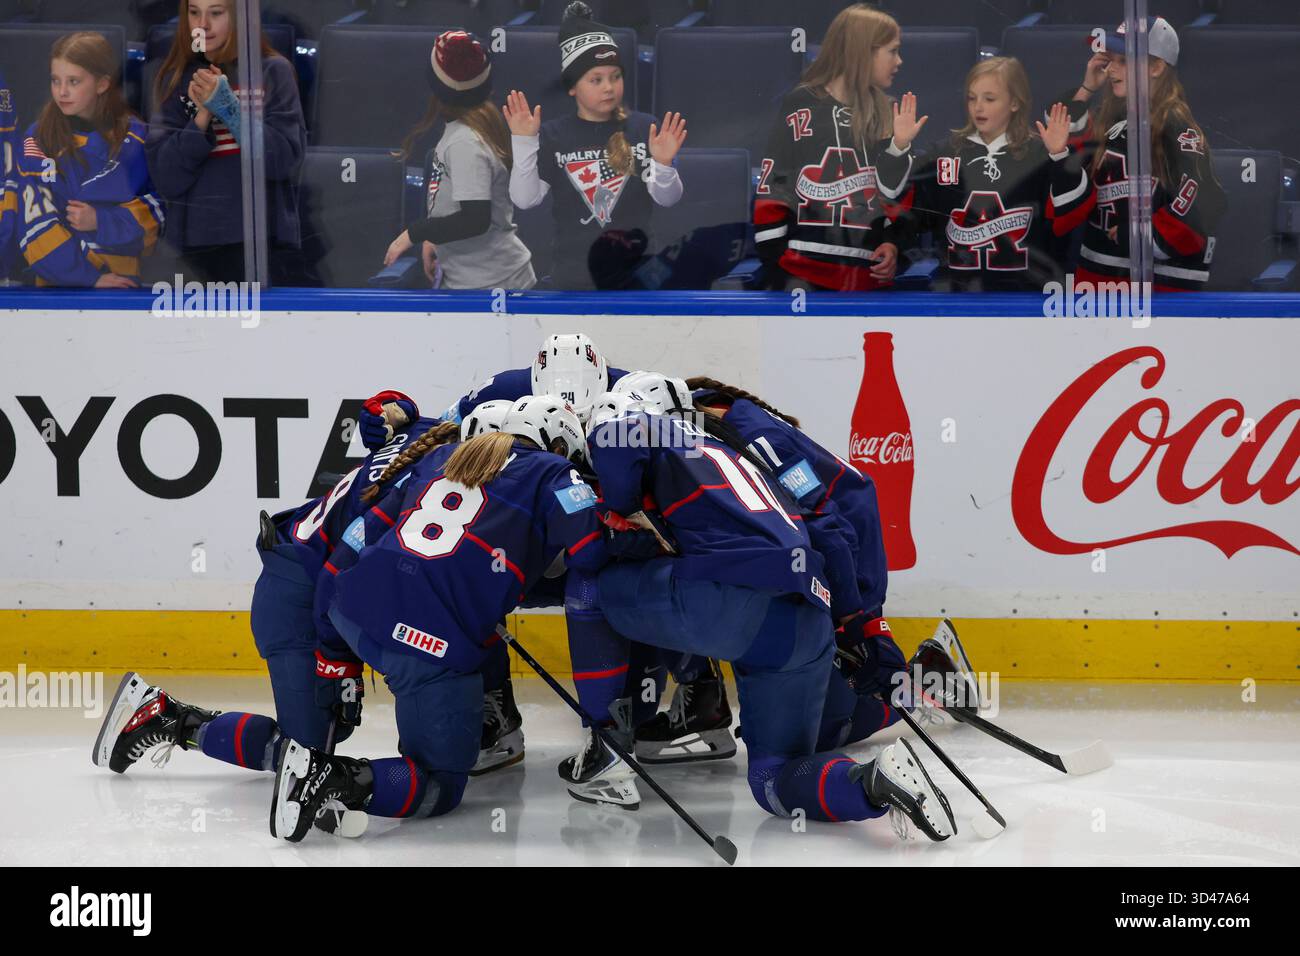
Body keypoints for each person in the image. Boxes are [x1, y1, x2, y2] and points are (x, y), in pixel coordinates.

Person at [582, 374, 957, 839]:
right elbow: (828, 530)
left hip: (731, 604)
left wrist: (614, 512)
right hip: (808, 615)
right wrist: (862, 626)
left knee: (592, 582)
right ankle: (875, 774)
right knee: (784, 767)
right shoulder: (743, 447)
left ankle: (610, 739)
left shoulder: (647, 429)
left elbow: (615, 446)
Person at [269, 396, 660, 840]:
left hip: (351, 611)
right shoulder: (554, 472)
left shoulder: (439, 456)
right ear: (557, 444)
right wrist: (641, 540)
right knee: (438, 785)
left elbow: (351, 545)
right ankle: (330, 778)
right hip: (425, 642)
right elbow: (590, 552)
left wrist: (334, 655)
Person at [503, 1, 687, 290]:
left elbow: (668, 198)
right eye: (596, 79)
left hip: (636, 277)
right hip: (573, 279)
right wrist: (524, 142)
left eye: (616, 77)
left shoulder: (643, 127)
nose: (609, 87)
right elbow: (525, 200)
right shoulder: (554, 134)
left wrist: (663, 165)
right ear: (572, 87)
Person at [754, 3, 927, 292]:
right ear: (863, 51)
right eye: (892, 51)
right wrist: (777, 256)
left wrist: (892, 245)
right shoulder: (801, 103)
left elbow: (898, 198)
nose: (899, 61)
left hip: (866, 279)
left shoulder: (888, 112)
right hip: (800, 277)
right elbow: (775, 181)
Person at [1053, 16, 1224, 292]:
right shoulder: (1108, 119)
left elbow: (1204, 198)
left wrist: (1137, 237)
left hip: (1159, 289)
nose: (1110, 69)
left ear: (1156, 66)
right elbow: (1062, 160)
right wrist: (1086, 89)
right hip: (1096, 282)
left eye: (1123, 60)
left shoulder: (1176, 124)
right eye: (1110, 59)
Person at [146, 0, 307, 284]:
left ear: (239, 17)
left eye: (216, 13)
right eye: (194, 12)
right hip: (192, 251)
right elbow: (166, 178)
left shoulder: (273, 71)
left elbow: (284, 161)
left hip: (264, 244)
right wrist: (202, 117)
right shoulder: (173, 78)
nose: (203, 24)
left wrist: (229, 109)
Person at [908, 57, 1094, 292]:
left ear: (1015, 103)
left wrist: (1059, 156)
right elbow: (914, 216)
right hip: (958, 298)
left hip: (1028, 297)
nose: (978, 107)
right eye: (972, 98)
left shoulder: (1041, 154)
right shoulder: (944, 153)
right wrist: (900, 148)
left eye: (989, 99)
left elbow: (1069, 218)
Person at [382, 30, 536, 291]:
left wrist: (416, 233)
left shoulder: (465, 141)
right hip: (482, 282)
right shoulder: (471, 127)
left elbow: (474, 219)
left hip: (494, 286)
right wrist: (436, 241)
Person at [14, 33, 163, 288]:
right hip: (54, 290)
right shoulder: (38, 139)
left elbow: (156, 216)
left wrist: (100, 220)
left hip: (122, 287)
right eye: (55, 80)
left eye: (73, 81)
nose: (62, 91)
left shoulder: (135, 137)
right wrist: (89, 278)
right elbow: (33, 224)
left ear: (102, 84)